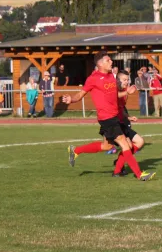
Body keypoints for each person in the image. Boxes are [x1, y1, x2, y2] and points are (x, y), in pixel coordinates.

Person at [61, 51, 155, 181]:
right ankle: (139, 175)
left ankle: (76, 150)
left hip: (115, 117)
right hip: (106, 118)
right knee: (125, 144)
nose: (111, 62)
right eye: (108, 60)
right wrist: (71, 99)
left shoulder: (111, 75)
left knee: (107, 146)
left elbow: (115, 96)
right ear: (100, 64)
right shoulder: (93, 79)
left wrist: (126, 92)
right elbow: (80, 94)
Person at [113, 71, 146, 177]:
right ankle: (119, 169)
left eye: (128, 79)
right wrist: (127, 92)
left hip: (122, 122)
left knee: (140, 142)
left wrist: (128, 117)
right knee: (126, 146)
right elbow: (114, 98)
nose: (127, 82)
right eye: (124, 79)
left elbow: (121, 109)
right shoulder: (115, 90)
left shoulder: (125, 93)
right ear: (118, 80)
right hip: (114, 123)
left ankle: (119, 162)